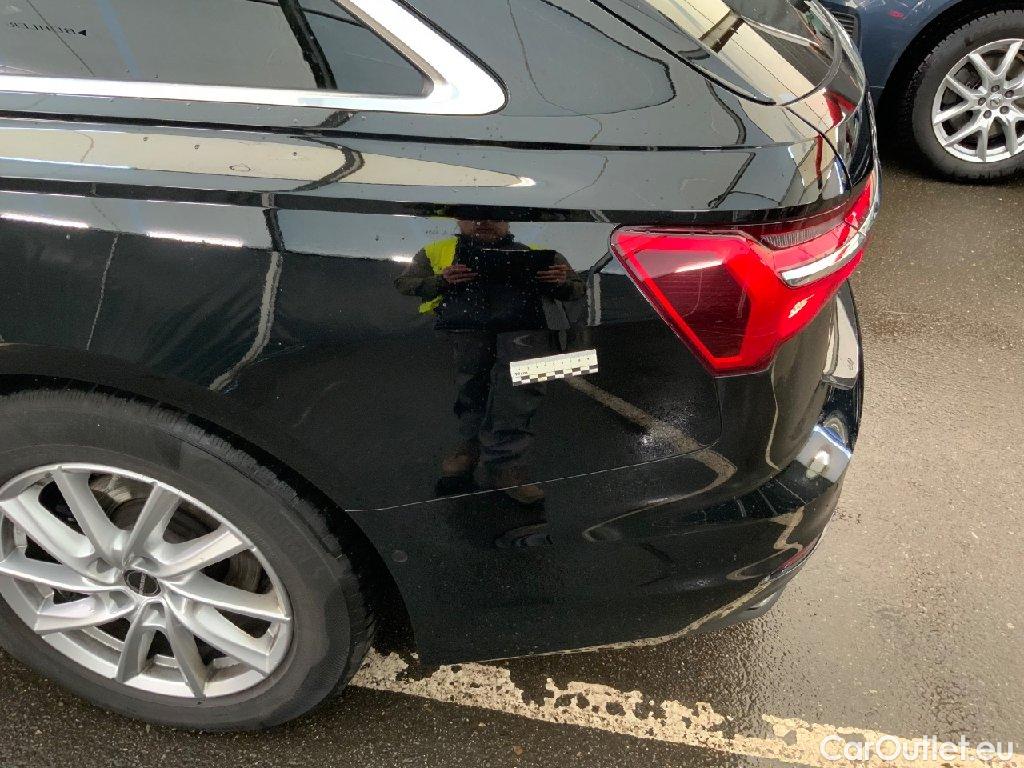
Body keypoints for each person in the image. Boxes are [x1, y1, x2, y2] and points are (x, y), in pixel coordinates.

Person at [395, 220, 584, 504]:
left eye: (493, 216)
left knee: (518, 396)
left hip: (523, 332)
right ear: (459, 219)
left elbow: (576, 288)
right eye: (473, 216)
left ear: (507, 219)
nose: (483, 222)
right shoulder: (437, 251)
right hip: (468, 330)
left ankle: (506, 466)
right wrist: (441, 281)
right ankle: (469, 447)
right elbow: (404, 283)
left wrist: (561, 283)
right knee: (472, 390)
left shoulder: (537, 251)